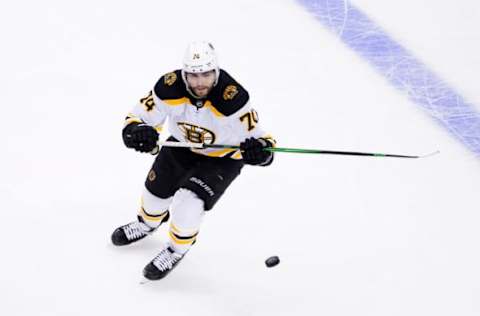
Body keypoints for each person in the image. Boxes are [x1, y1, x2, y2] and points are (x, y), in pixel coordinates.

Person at [111, 41, 276, 280]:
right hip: (180, 146)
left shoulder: (233, 98)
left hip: (222, 159)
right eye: (193, 75)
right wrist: (137, 132)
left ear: (216, 72)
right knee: (153, 198)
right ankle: (147, 224)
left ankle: (176, 250)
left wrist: (260, 152)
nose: (200, 82)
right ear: (184, 73)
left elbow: (262, 140)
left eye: (206, 74)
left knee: (188, 205)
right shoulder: (169, 87)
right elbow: (137, 117)